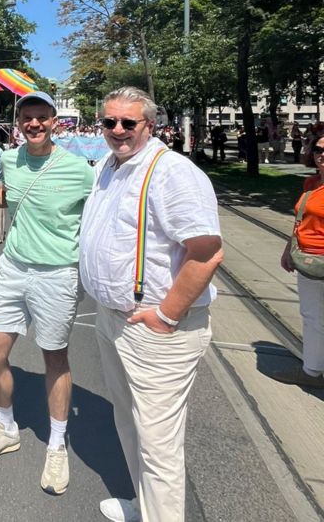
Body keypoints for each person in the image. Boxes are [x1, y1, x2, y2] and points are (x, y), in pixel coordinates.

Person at [81, 87, 222, 522]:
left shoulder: (172, 173)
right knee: (128, 422)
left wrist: (166, 315)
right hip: (113, 318)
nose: (118, 130)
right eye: (110, 122)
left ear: (150, 125)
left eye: (129, 123)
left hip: (156, 328)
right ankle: (144, 507)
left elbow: (207, 252)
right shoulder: (109, 165)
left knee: (158, 443)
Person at [0, 91, 94, 496]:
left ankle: (57, 444)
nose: (34, 124)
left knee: (54, 356)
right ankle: (6, 427)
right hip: (13, 269)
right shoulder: (9, 159)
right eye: (27, 118)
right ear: (18, 122)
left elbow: (99, 218)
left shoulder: (79, 170)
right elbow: (12, 193)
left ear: (55, 121)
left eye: (42, 117)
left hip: (57, 275)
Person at [275, 133, 324, 389]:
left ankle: (314, 370)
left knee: (316, 317)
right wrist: (288, 250)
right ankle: (314, 369)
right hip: (309, 261)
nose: (322, 155)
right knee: (312, 316)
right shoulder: (311, 184)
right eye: (318, 150)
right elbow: (300, 222)